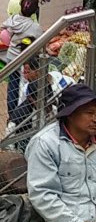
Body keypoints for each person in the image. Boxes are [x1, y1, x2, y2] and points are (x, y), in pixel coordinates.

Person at [26, 83, 96, 222]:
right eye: (89, 113)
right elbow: (43, 195)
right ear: (70, 114)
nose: (95, 119)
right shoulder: (46, 143)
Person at [1, 0, 42, 116]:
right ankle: (21, 114)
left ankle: (11, 113)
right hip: (25, 62)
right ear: (35, 11)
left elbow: (3, 29)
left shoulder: (13, 19)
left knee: (12, 85)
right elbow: (40, 43)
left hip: (10, 57)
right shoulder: (35, 27)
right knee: (24, 88)